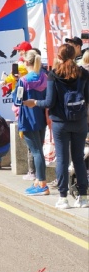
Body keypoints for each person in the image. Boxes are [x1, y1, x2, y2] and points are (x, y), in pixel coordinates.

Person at [24, 44, 89, 209]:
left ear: (59, 57)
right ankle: (83, 197)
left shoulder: (54, 75)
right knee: (79, 159)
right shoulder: (83, 73)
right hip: (80, 122)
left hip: (60, 123)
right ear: (74, 55)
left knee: (62, 160)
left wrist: (34, 102)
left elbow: (49, 102)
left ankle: (63, 198)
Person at [13, 50, 48, 195]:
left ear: (26, 62)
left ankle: (42, 183)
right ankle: (38, 181)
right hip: (42, 117)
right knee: (39, 151)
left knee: (36, 152)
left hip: (28, 118)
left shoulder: (23, 80)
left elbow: (17, 100)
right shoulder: (45, 77)